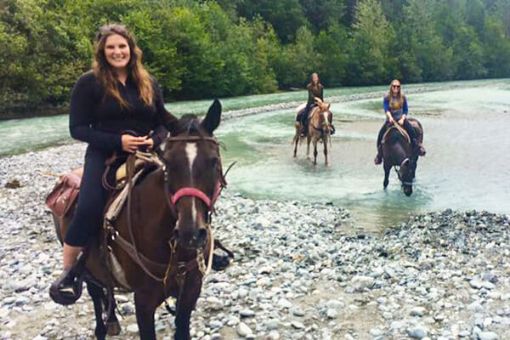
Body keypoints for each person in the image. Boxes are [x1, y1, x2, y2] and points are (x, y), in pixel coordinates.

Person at [50, 23, 178, 301]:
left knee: (181, 194)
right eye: (111, 47)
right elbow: (78, 128)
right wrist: (118, 142)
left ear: (132, 50)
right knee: (88, 207)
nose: (118, 52)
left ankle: (192, 256)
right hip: (104, 154)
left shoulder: (148, 82)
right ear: (102, 51)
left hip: (145, 154)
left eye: (122, 46)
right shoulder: (89, 83)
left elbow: (162, 123)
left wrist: (154, 141)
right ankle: (69, 272)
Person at [374, 80, 426, 165]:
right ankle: (379, 155)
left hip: (401, 119)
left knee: (412, 131)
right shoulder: (387, 97)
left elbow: (405, 109)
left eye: (398, 86)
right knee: (380, 135)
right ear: (391, 87)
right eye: (394, 86)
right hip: (391, 120)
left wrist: (402, 119)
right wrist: (390, 117)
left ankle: (417, 147)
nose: (396, 88)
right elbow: (386, 109)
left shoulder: (403, 97)